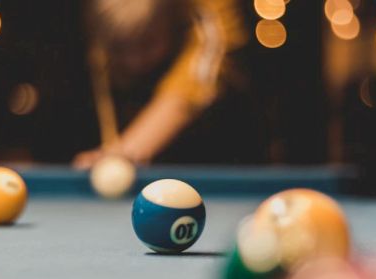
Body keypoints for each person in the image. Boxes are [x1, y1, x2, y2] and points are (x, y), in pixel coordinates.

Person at [73, 0, 252, 168]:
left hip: (220, 136)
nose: (134, 62)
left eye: (147, 43)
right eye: (119, 48)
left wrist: (127, 150)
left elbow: (217, 48)